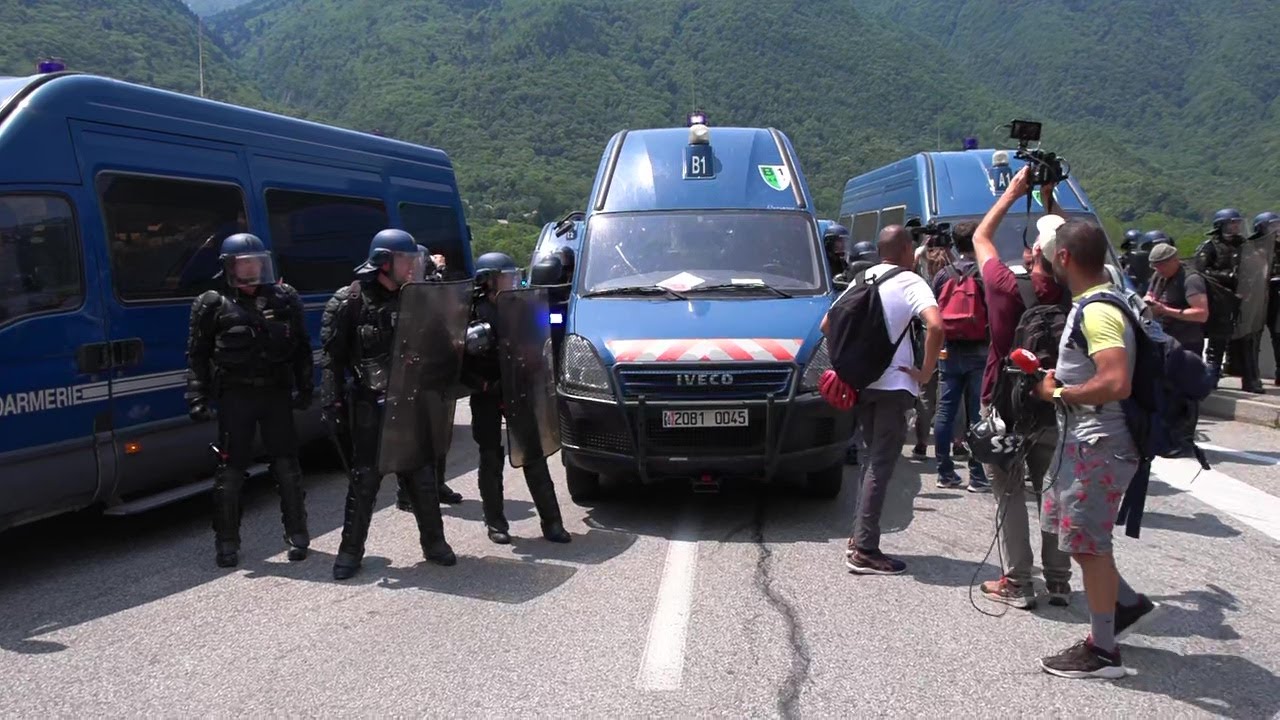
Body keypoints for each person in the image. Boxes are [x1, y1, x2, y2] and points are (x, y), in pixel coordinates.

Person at [1034, 220, 1157, 680]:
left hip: (1098, 445)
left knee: (1088, 545)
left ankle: (1103, 651)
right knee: (1075, 536)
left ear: (1064, 258)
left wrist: (1057, 393)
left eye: (1050, 254)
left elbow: (1115, 381)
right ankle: (1125, 604)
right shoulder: (1105, 296)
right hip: (1086, 441)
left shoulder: (1098, 312)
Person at [322, 229, 457, 580]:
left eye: (414, 260)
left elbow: (442, 346)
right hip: (370, 406)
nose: (412, 266)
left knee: (422, 475)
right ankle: (350, 552)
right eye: (405, 260)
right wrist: (331, 405)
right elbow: (333, 361)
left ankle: (435, 543)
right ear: (384, 262)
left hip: (411, 403)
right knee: (365, 480)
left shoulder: (419, 299)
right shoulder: (349, 301)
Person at [972, 167, 1072, 609]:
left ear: (1033, 255)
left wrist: (1013, 193)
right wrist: (1050, 197)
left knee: (1009, 492)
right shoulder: (1073, 291)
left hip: (1006, 406)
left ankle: (1017, 581)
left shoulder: (1004, 285)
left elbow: (981, 237)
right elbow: (1077, 244)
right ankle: (1059, 580)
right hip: (1056, 402)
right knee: (1052, 489)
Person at [185, 233, 313, 568]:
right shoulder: (212, 303)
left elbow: (301, 348)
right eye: (244, 264)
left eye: (256, 262)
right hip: (236, 396)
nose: (252, 269)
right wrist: (197, 395)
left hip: (275, 394)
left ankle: (298, 535)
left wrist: (306, 387)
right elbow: (197, 355)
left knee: (287, 467)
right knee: (230, 472)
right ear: (230, 266)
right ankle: (227, 542)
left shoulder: (284, 298)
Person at [830, 226, 943, 575]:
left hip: (864, 383)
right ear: (907, 249)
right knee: (880, 464)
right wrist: (925, 372)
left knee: (870, 460)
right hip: (895, 386)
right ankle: (865, 550)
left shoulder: (860, 279)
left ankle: (858, 537)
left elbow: (827, 324)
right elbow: (936, 326)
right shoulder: (910, 281)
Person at [463, 252, 571, 545]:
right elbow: (457, 361)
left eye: (513, 276)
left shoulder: (522, 306)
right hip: (487, 392)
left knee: (533, 453)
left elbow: (542, 336)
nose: (512, 281)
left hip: (519, 388)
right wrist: (483, 384)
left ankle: (552, 522)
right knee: (490, 457)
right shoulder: (471, 312)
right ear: (489, 280)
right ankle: (495, 522)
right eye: (505, 276)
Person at [395, 244, 464, 510]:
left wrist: (440, 272)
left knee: (438, 431)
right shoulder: (405, 290)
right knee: (411, 437)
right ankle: (406, 493)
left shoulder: (430, 286)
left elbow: (448, 300)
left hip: (435, 368)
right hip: (412, 373)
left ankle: (438, 483)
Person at [929, 222, 990, 492]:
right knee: (977, 413)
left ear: (953, 243)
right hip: (980, 350)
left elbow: (933, 310)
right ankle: (977, 476)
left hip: (949, 350)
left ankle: (945, 472)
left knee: (945, 410)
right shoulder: (984, 273)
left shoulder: (943, 275)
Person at [1196, 208, 1250, 386]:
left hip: (1243, 296)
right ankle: (1212, 377)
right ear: (1221, 225)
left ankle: (1245, 375)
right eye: (1231, 223)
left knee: (1245, 339)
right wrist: (1227, 276)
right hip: (1219, 297)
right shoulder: (1210, 246)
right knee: (1217, 338)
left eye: (1237, 222)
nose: (1236, 226)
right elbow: (1202, 270)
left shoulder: (1244, 245)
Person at [1259, 212, 1280, 385]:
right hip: (1257, 298)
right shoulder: (1253, 249)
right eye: (1272, 226)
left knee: (1278, 334)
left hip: (1276, 296)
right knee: (1251, 338)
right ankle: (1248, 373)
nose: (1276, 229)